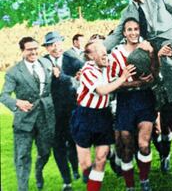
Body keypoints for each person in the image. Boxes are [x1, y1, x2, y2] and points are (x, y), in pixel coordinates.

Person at [71, 40, 135, 191]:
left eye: (104, 49)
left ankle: (94, 185)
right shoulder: (87, 71)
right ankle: (90, 179)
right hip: (85, 116)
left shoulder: (108, 64)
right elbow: (101, 90)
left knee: (100, 158)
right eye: (98, 50)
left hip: (103, 115)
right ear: (90, 56)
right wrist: (122, 78)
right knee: (86, 165)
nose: (104, 52)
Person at [0, 37, 56, 191]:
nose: (33, 52)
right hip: (24, 121)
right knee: (22, 157)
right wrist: (17, 102)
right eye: (29, 49)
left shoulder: (46, 64)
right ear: (22, 51)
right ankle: (22, 188)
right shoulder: (14, 72)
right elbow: (3, 95)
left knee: (45, 152)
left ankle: (38, 172)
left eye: (35, 48)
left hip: (46, 118)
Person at [109, 17, 156, 191]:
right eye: (129, 30)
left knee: (144, 144)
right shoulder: (116, 53)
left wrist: (152, 74)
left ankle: (144, 180)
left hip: (145, 99)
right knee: (127, 147)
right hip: (125, 101)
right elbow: (112, 82)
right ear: (124, 33)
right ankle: (130, 186)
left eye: (136, 29)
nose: (133, 33)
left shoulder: (147, 49)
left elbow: (157, 73)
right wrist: (133, 83)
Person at [42, 31, 84, 190]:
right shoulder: (43, 62)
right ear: (46, 48)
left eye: (58, 43)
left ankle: (74, 168)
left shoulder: (72, 60)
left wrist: (63, 77)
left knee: (73, 143)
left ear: (62, 44)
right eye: (51, 45)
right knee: (57, 145)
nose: (55, 47)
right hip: (52, 113)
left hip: (72, 111)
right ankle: (66, 181)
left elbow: (82, 78)